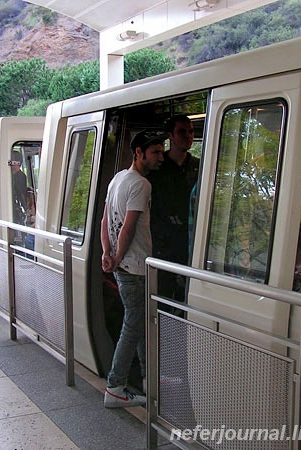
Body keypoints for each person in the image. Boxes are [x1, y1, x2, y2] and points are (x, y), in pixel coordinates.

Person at [101, 129, 165, 408]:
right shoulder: (141, 184)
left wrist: (107, 253)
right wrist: (117, 256)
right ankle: (115, 386)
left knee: (137, 324)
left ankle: (146, 380)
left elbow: (105, 221)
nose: (160, 157)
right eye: (155, 153)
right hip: (136, 265)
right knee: (133, 325)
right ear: (138, 153)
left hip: (122, 264)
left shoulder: (117, 180)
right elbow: (127, 227)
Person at [148, 115, 200, 302]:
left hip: (192, 242)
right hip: (164, 245)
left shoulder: (198, 166)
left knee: (186, 298)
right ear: (170, 135)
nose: (188, 136)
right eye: (182, 131)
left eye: (191, 131)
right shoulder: (158, 168)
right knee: (162, 296)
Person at [10, 150, 28, 226]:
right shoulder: (11, 175)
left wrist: (25, 208)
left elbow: (21, 193)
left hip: (16, 208)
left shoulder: (20, 176)